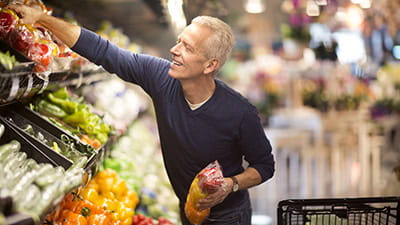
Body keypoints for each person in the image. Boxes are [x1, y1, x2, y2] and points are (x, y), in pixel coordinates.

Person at [8, 3, 275, 224]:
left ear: (210, 65)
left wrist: (232, 184)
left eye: (187, 47)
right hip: (187, 207)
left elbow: (264, 166)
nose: (174, 50)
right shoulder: (161, 77)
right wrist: (42, 18)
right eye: (179, 41)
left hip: (229, 216)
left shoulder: (239, 112)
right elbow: (104, 51)